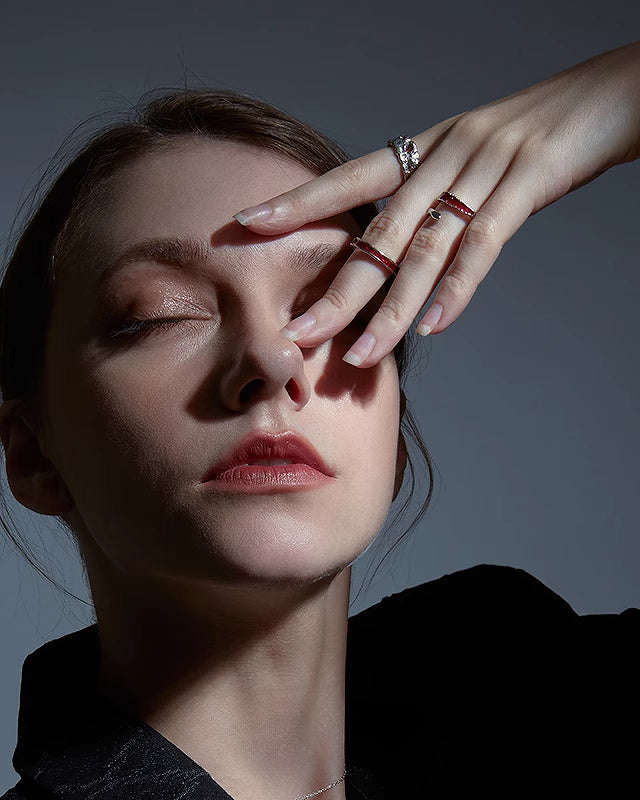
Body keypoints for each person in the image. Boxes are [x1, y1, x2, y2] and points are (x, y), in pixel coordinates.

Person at [0, 40, 638, 800]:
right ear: (33, 454)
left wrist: (618, 96)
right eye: (163, 314)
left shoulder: (542, 701)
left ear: (393, 437)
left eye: (335, 307)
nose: (273, 359)